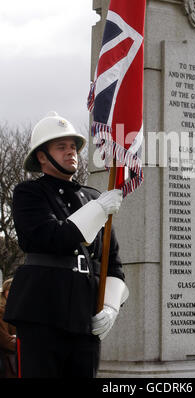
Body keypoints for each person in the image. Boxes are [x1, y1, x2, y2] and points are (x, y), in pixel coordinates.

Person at [4, 111, 128, 378]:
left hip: (84, 318)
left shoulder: (92, 197)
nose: (71, 152)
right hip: (42, 313)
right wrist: (97, 210)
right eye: (61, 147)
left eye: (73, 147)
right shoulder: (29, 193)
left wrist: (110, 306)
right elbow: (47, 236)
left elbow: (113, 262)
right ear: (41, 156)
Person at [0, 278, 17, 378]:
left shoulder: (15, 309)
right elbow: (4, 340)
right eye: (10, 290)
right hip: (7, 359)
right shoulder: (1, 311)